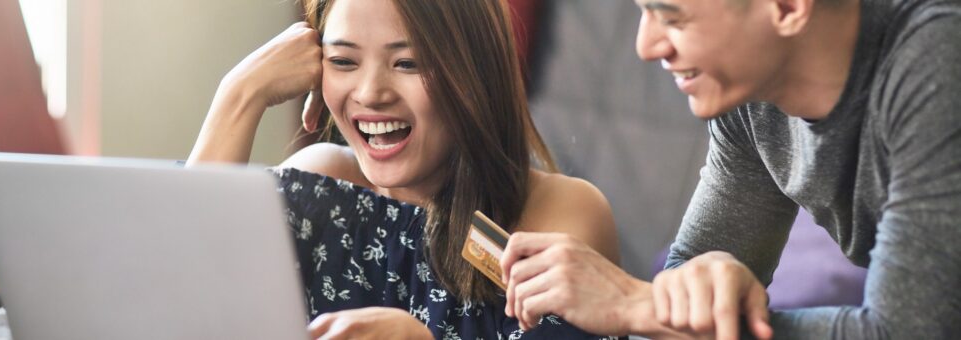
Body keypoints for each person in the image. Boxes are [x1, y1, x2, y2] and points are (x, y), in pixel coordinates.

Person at [501, 0, 961, 338]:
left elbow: (909, 331)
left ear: (787, 7)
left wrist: (636, 303)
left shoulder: (937, 58)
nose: (646, 45)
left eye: (671, 16)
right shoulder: (754, 105)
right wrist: (709, 280)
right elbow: (675, 313)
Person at [187, 0, 621, 339]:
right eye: (343, 62)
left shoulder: (561, 216)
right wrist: (240, 96)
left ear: (475, 74)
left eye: (408, 63)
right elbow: (178, 298)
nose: (371, 93)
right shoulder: (318, 185)